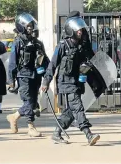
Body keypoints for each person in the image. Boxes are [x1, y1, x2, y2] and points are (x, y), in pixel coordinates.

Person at [40, 15, 100, 146]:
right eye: (78, 29)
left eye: (82, 29)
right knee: (78, 107)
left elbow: (91, 60)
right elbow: (52, 65)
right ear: (71, 30)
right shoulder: (62, 46)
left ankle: (57, 133)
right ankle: (88, 134)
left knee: (71, 111)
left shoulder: (82, 46)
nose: (81, 31)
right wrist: (46, 82)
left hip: (78, 82)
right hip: (66, 83)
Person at [6, 13, 49, 137]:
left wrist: (47, 74)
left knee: (33, 102)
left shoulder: (38, 43)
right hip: (23, 75)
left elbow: (45, 60)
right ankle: (30, 127)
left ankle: (15, 117)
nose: (30, 28)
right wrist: (11, 79)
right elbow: (12, 62)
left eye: (31, 25)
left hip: (36, 76)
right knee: (28, 102)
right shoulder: (18, 42)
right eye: (28, 26)